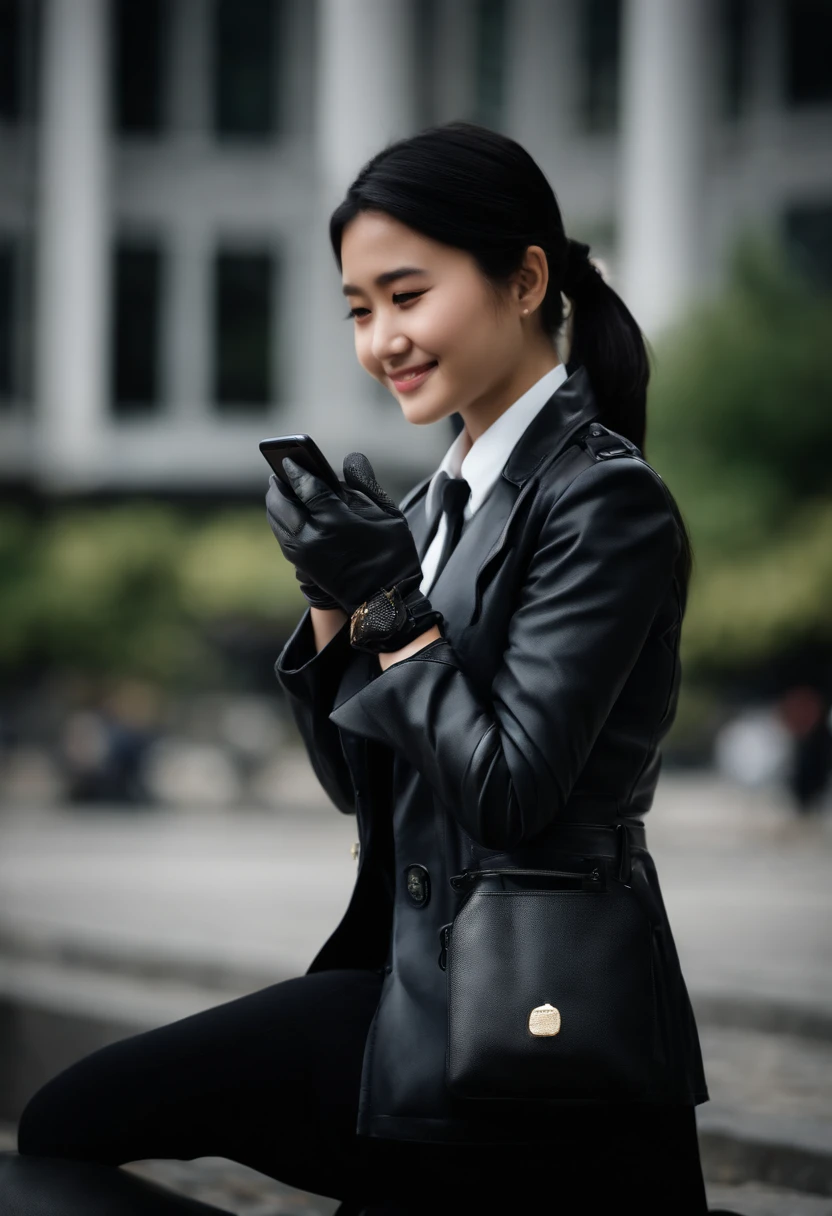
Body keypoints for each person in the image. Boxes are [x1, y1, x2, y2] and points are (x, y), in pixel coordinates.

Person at [4, 121, 721, 1216]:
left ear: (524, 279)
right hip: (414, 989)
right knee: (60, 1131)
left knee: (63, 1132)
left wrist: (392, 603)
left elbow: (511, 793)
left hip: (528, 1020)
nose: (381, 337)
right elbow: (364, 781)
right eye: (357, 308)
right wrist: (335, 602)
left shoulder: (602, 499)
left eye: (406, 294)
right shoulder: (439, 501)